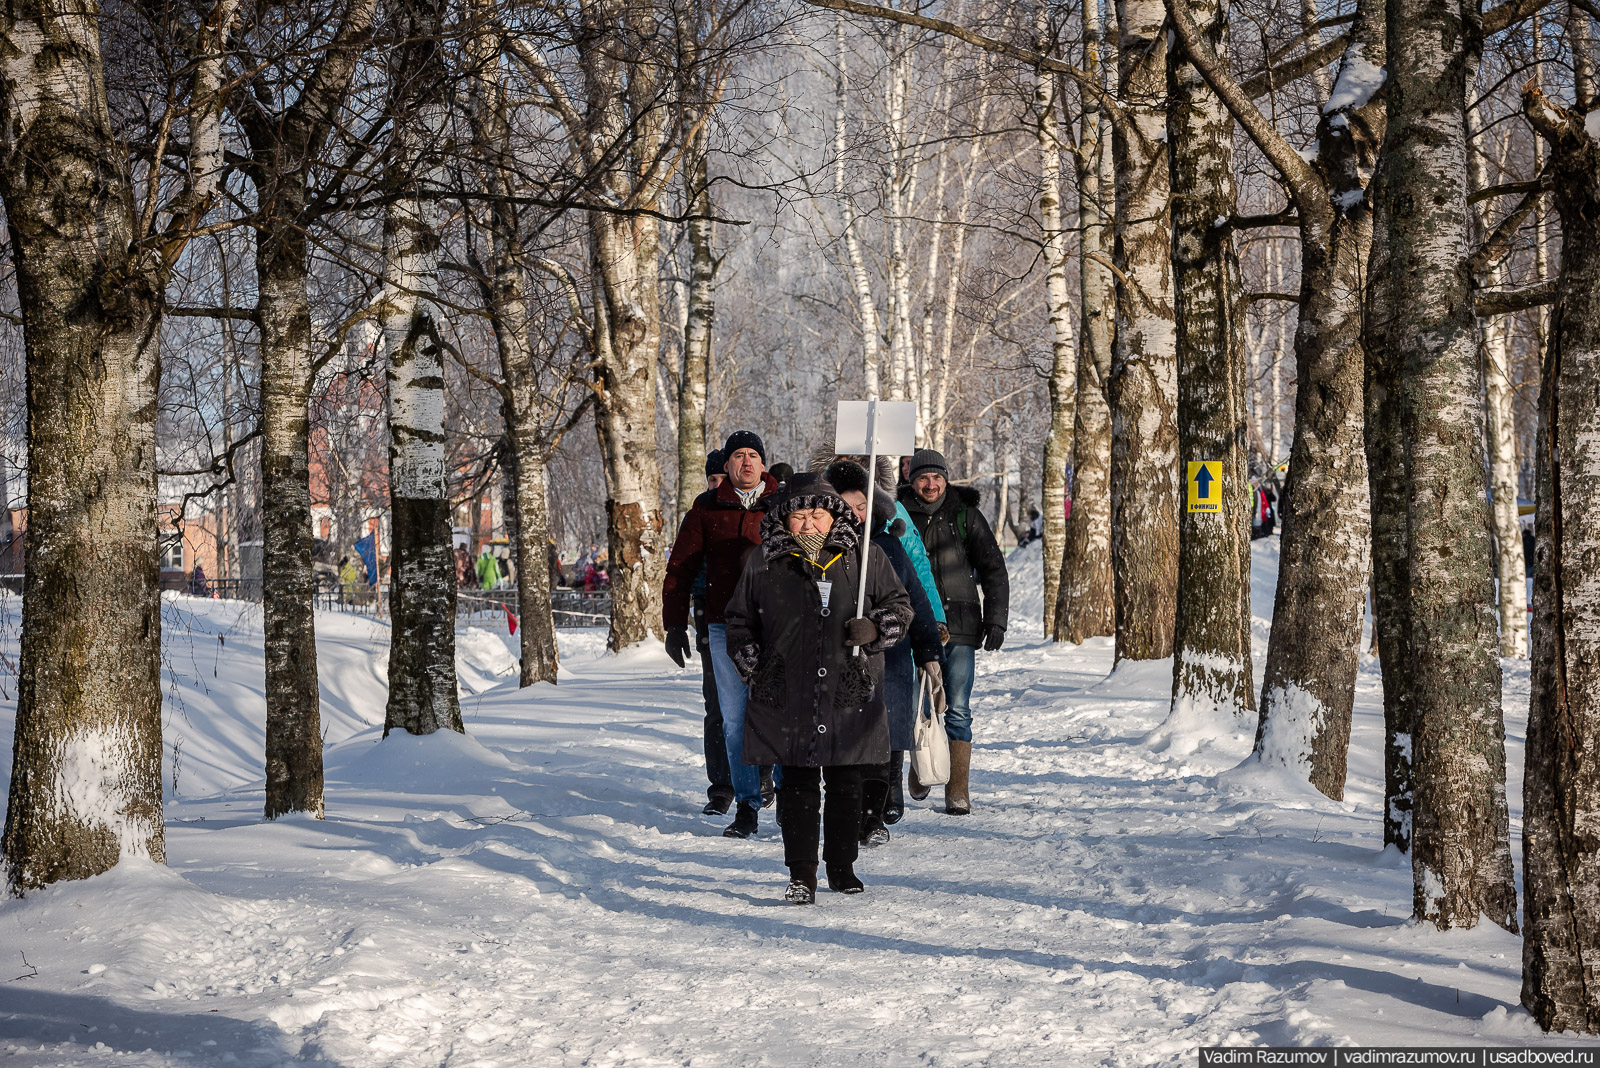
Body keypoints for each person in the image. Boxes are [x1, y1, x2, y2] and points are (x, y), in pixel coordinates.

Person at [724, 473, 912, 903]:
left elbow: (900, 608)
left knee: (847, 781)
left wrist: (875, 629)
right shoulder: (763, 561)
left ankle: (841, 867)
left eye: (817, 514)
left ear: (835, 516)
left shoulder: (866, 558)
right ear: (784, 519)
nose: (808, 525)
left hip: (848, 688)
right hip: (788, 691)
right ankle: (801, 874)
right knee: (798, 783)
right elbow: (738, 621)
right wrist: (755, 663)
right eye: (799, 516)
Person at [661, 431, 780, 837]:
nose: (746, 462)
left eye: (753, 455)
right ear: (725, 465)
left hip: (779, 626)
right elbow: (680, 569)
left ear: (763, 463)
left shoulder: (784, 507)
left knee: (782, 713)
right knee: (734, 719)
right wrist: (675, 624)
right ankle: (746, 805)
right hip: (724, 626)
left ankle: (788, 797)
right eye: (738, 456)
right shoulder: (705, 511)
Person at [826, 460, 945, 844]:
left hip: (891, 657)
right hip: (839, 660)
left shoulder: (888, 546)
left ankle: (877, 810)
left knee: (887, 733)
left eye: (861, 506)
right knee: (848, 741)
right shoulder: (819, 549)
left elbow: (916, 600)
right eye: (846, 506)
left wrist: (928, 651)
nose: (854, 514)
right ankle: (849, 808)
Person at [897, 448, 1009, 815]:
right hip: (912, 623)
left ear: (946, 479)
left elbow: (992, 568)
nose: (930, 485)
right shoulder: (897, 515)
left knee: (957, 707)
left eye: (936, 478)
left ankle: (957, 787)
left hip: (959, 625)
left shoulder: (965, 515)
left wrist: (995, 619)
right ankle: (922, 766)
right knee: (917, 705)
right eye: (922, 478)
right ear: (911, 481)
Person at [684, 449, 734, 815]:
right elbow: (685, 563)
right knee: (716, 703)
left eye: (721, 479)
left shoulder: (749, 507)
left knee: (755, 703)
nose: (716, 486)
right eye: (711, 480)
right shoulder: (701, 510)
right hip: (710, 612)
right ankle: (721, 785)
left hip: (755, 614)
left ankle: (759, 776)